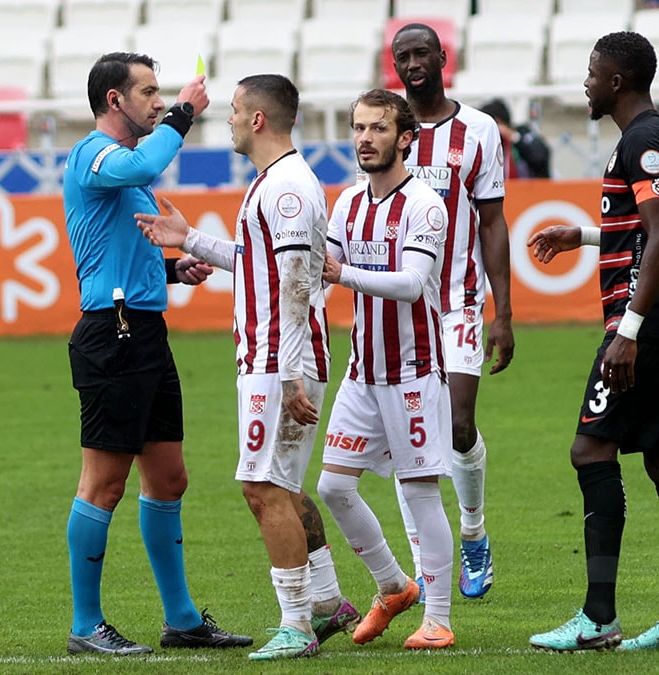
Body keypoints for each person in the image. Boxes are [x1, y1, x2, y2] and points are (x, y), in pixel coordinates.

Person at [134, 73, 361, 661]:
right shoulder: (277, 181)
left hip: (278, 357)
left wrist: (287, 374)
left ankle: (296, 625)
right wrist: (190, 239)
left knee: (262, 487)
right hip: (274, 355)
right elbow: (259, 262)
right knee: (278, 484)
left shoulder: (285, 188)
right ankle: (328, 603)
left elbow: (290, 283)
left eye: (235, 110)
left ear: (257, 119)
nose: (229, 119)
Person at [61, 51, 251, 656]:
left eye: (161, 92)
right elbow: (147, 157)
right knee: (104, 484)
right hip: (111, 335)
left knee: (169, 478)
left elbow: (116, 250)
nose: (157, 100)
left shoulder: (127, 173)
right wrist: (184, 114)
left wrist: (174, 269)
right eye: (147, 92)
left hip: (142, 329)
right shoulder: (96, 155)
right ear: (114, 101)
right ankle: (86, 625)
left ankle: (183, 619)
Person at [525, 31, 659, 652]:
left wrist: (627, 330)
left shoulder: (643, 141)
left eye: (594, 72)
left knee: (590, 450)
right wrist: (584, 234)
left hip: (648, 325)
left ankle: (598, 617)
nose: (586, 82)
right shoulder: (657, 137)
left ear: (618, 81)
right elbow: (657, 231)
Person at [315, 88, 456, 650]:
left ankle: (439, 619)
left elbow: (412, 283)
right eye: (357, 128)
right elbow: (311, 266)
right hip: (363, 372)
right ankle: (394, 586)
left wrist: (342, 274)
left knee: (421, 495)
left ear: (405, 138)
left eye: (377, 129)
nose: (364, 139)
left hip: (416, 372)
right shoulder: (347, 203)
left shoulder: (425, 204)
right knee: (332, 486)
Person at [389, 21, 515, 601]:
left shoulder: (479, 130)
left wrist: (504, 312)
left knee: (458, 425)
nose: (413, 63)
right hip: (402, 307)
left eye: (422, 53)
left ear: (443, 57)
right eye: (403, 56)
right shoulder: (388, 126)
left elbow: (492, 221)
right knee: (408, 440)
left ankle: (473, 532)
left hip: (459, 300)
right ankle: (424, 561)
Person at [479, 98, 552, 179]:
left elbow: (540, 157)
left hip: (531, 189)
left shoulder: (522, 133)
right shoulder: (489, 145)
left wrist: (514, 137)